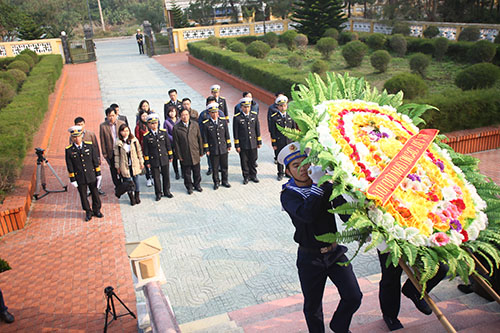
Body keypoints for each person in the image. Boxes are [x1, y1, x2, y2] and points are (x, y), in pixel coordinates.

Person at [279, 142, 362, 333]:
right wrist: (318, 185)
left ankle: (339, 326)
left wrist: (359, 226)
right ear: (288, 171)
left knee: (354, 295)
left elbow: (343, 210)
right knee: (313, 307)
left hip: (334, 252)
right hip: (310, 258)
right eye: (295, 165)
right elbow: (306, 215)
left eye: (305, 163)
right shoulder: (288, 195)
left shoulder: (324, 185)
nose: (302, 168)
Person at [378, 249, 449, 331]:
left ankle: (413, 290)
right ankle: (390, 315)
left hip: (421, 237)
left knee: (441, 267)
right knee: (391, 276)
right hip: (388, 241)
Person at [65, 126, 104, 222]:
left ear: (82, 136)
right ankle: (88, 211)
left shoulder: (89, 146)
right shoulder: (69, 150)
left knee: (95, 193)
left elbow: (95, 161)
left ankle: (97, 210)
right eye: (74, 137)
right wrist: (72, 179)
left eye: (78, 136)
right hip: (80, 177)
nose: (76, 139)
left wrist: (98, 173)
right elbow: (70, 166)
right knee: (83, 195)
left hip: (91, 175)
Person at [69, 116, 105, 195]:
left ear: (84, 124)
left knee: (96, 173)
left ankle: (98, 188)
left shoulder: (90, 134)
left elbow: (96, 146)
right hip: (81, 160)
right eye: (78, 124)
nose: (80, 126)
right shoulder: (72, 136)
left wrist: (98, 157)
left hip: (91, 158)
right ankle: (88, 190)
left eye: (81, 124)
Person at [143, 113, 173, 201]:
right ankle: (158, 193)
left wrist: (170, 155)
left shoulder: (163, 132)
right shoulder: (146, 136)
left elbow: (168, 145)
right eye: (152, 123)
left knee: (166, 176)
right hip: (154, 159)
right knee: (156, 177)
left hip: (164, 157)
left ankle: (167, 191)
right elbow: (146, 150)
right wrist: (147, 162)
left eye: (155, 123)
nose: (154, 125)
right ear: (148, 124)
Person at [201, 102, 231, 190]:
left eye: (216, 112)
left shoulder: (223, 121)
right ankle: (216, 182)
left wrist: (228, 144)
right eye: (213, 112)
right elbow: (205, 137)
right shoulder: (206, 123)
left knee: (224, 166)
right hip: (213, 148)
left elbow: (227, 134)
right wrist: (206, 149)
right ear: (209, 113)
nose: (215, 114)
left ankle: (225, 181)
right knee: (215, 167)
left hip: (223, 147)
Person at [173, 109, 204, 194]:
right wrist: (179, 156)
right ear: (180, 116)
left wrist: (201, 151)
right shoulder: (176, 128)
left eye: (186, 114)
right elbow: (176, 144)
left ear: (189, 115)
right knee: (187, 173)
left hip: (195, 152)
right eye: (183, 115)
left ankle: (197, 185)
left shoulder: (195, 125)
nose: (185, 116)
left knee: (197, 171)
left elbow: (199, 138)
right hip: (185, 154)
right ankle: (189, 187)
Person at [233, 97, 261, 184]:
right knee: (244, 161)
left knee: (253, 160)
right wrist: (237, 145)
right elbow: (235, 132)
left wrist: (259, 141)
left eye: (248, 107)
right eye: (244, 107)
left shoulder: (254, 115)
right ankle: (246, 176)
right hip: (243, 143)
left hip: (253, 142)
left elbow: (257, 129)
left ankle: (253, 175)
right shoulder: (237, 118)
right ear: (241, 107)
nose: (246, 109)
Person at [114, 124, 144, 205]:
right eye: (123, 131)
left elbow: (139, 151)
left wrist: (141, 162)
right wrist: (117, 167)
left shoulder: (133, 140)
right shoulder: (118, 142)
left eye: (127, 130)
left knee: (136, 181)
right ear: (120, 132)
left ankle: (137, 196)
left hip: (134, 164)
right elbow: (116, 155)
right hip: (124, 165)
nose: (125, 133)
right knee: (128, 182)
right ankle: (131, 198)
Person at [269, 95, 296, 181]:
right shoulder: (274, 117)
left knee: (289, 157)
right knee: (280, 157)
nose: (283, 107)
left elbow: (293, 129)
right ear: (277, 107)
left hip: (289, 141)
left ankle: (288, 172)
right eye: (281, 106)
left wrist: (294, 140)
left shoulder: (290, 116)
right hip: (279, 141)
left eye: (284, 105)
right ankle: (280, 173)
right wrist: (274, 143)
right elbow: (272, 131)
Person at [199, 96, 225, 176]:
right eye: (210, 103)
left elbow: (224, 127)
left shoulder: (220, 113)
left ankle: (220, 167)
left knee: (221, 155)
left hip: (219, 139)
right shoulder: (203, 114)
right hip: (209, 139)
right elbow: (200, 127)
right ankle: (211, 168)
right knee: (210, 156)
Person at [100, 107, 125, 189]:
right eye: (109, 116)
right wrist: (104, 153)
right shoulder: (103, 126)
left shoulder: (121, 123)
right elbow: (102, 140)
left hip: (121, 150)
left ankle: (124, 183)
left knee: (123, 167)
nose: (111, 118)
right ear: (107, 116)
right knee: (113, 170)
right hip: (111, 151)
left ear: (116, 115)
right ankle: (117, 185)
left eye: (113, 115)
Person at [163, 105, 181, 180]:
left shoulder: (179, 120)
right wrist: (174, 138)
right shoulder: (166, 122)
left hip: (180, 142)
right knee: (174, 158)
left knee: (182, 156)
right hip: (172, 142)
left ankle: (183, 171)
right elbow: (166, 133)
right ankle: (176, 172)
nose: (172, 113)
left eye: (173, 111)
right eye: (170, 112)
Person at [268, 92, 285, 164]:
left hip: (287, 138)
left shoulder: (288, 113)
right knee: (279, 152)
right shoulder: (272, 108)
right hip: (278, 135)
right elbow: (270, 120)